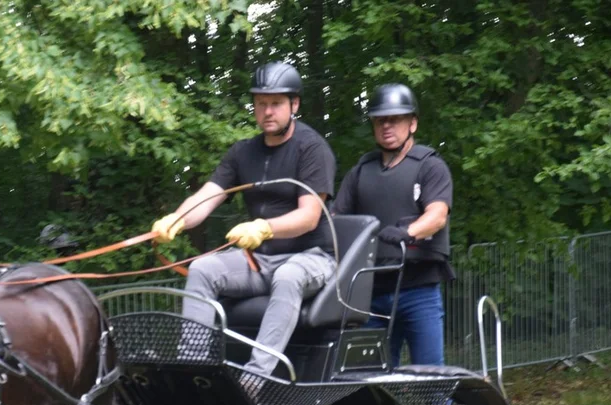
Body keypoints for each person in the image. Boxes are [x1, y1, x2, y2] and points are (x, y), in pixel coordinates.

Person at [150, 62, 337, 376]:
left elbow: (308, 217)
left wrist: (264, 228)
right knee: (202, 269)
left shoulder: (312, 148)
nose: (267, 111)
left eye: (276, 103)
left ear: (295, 104)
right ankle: (192, 370)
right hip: (260, 261)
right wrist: (177, 219)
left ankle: (257, 376)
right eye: (261, 103)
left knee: (289, 276)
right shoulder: (243, 152)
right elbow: (206, 197)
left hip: (312, 258)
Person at [332, 83, 453, 367]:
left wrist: (405, 233)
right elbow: (335, 220)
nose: (387, 126)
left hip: (418, 289)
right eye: (380, 120)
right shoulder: (360, 171)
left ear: (412, 123)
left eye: (395, 119)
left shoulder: (430, 166)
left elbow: (437, 215)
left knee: (430, 377)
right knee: (365, 381)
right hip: (370, 291)